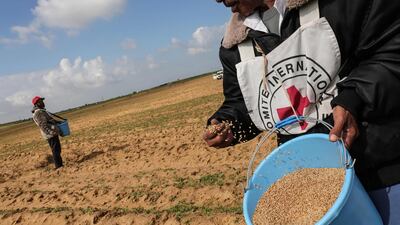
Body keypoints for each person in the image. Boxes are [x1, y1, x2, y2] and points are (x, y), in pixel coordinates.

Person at [206, 0, 400, 224]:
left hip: (382, 170)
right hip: (313, 187)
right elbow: (243, 103)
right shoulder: (233, 46)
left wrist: (353, 97)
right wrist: (228, 122)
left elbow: (391, 47)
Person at [31, 96, 64, 169]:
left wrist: (58, 122)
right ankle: (59, 166)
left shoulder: (41, 111)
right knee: (56, 150)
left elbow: (49, 120)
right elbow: (43, 125)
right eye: (41, 101)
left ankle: (59, 164)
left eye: (42, 101)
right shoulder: (38, 112)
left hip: (51, 133)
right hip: (50, 134)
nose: (43, 102)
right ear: (37, 104)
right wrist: (51, 133)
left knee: (57, 149)